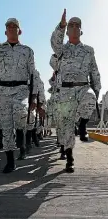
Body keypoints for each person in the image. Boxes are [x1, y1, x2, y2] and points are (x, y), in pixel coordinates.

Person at [0, 16, 39, 173]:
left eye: (15, 26)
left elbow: (33, 75)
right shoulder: (0, 48)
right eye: (9, 26)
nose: (12, 28)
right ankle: (11, 161)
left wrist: (33, 97)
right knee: (6, 129)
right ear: (5, 31)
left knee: (21, 113)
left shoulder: (27, 51)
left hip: (21, 90)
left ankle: (21, 134)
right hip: (3, 92)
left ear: (20, 31)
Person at [51, 9, 101, 173]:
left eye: (76, 25)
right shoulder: (62, 49)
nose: (73, 27)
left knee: (90, 99)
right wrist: (61, 25)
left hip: (83, 86)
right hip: (65, 90)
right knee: (66, 129)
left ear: (81, 30)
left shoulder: (88, 50)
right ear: (67, 31)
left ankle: (82, 125)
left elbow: (94, 70)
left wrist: (97, 88)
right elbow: (54, 42)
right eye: (70, 25)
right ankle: (70, 159)